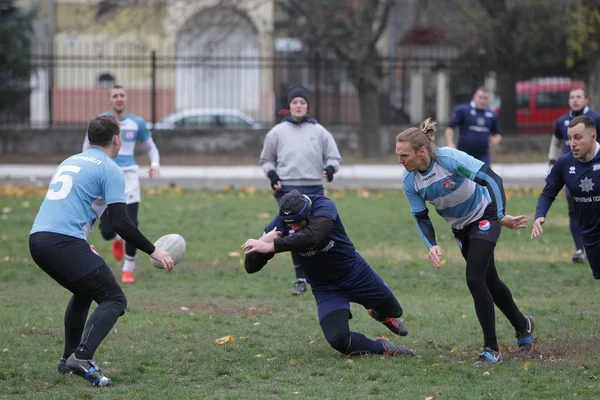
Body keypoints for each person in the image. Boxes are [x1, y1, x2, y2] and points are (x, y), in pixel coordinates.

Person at [29, 115, 174, 387]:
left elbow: (66, 207)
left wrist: (80, 242)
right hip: (62, 241)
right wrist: (153, 250)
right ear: (117, 138)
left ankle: (67, 359)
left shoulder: (71, 160)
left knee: (85, 291)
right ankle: (82, 358)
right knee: (114, 299)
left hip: (39, 238)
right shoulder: (110, 168)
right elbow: (121, 222)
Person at [397, 118, 534, 367]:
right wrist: (432, 244)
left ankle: (491, 349)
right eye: (398, 155)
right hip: (461, 229)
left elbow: (492, 179)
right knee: (490, 281)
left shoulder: (448, 159)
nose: (400, 161)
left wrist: (500, 214)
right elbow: (420, 217)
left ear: (421, 151)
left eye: (404, 155)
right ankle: (523, 325)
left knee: (474, 278)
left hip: (485, 216)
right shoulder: (410, 181)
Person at [241, 190, 415, 357]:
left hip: (356, 274)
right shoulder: (282, 223)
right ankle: (382, 346)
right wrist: (263, 241)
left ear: (308, 213)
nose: (293, 227)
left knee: (395, 311)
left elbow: (313, 236)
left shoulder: (323, 206)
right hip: (326, 288)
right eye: (289, 224)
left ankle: (379, 313)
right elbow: (251, 267)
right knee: (338, 340)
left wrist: (273, 246)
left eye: (297, 222)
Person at [259, 85, 342, 296]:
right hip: (288, 189)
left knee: (316, 233)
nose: (298, 106)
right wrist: (273, 176)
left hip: (313, 187)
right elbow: (266, 160)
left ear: (307, 106)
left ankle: (320, 275)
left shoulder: (319, 131)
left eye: (302, 103)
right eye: (295, 102)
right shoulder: (277, 132)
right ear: (289, 106)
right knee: (293, 234)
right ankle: (300, 279)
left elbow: (334, 157)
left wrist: (330, 169)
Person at [83, 84, 161, 284]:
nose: (119, 98)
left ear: (126, 98)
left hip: (129, 176)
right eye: (115, 95)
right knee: (108, 231)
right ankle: (117, 239)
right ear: (108, 99)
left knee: (132, 223)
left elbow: (152, 147)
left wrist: (154, 164)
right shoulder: (99, 123)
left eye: (122, 95)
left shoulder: (137, 123)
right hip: (105, 176)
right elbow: (86, 148)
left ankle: (128, 269)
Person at [533, 115, 600, 279]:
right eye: (569, 138)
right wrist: (539, 215)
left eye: (578, 138)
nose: (572, 143)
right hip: (590, 233)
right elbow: (548, 193)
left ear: (593, 137)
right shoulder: (564, 163)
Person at [547, 88, 600, 264]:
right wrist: (552, 163)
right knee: (574, 208)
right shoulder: (562, 121)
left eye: (578, 97)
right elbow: (556, 142)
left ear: (586, 100)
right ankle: (580, 249)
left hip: (594, 171)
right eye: (572, 97)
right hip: (571, 172)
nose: (575, 100)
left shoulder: (595, 119)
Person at [445, 87, 502, 165]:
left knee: (485, 176)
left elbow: (498, 134)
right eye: (480, 97)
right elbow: (450, 127)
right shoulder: (463, 110)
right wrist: (450, 143)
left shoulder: (492, 115)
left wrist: (495, 140)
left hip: (483, 155)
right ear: (474, 96)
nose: (482, 100)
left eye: (485, 98)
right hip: (464, 154)